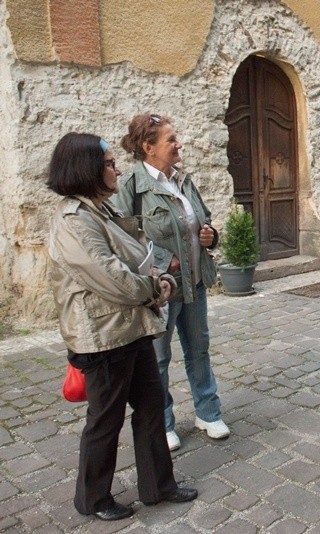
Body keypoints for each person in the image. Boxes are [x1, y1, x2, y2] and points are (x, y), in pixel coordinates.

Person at [47, 133, 197, 521]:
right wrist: (157, 286)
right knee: (105, 419)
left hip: (132, 327)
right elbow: (112, 276)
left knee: (150, 408)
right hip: (103, 336)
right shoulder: (73, 221)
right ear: (88, 170)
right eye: (110, 163)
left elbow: (138, 255)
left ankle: (158, 486)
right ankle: (93, 499)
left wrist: (159, 275)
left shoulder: (103, 211)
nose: (116, 169)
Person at [114, 113, 228, 452]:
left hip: (194, 282)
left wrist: (210, 236)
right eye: (170, 140)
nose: (179, 144)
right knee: (158, 359)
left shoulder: (182, 179)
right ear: (149, 148)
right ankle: (162, 423)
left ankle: (208, 413)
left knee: (199, 350)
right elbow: (122, 241)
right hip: (160, 291)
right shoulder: (132, 187)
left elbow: (202, 220)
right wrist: (163, 262)